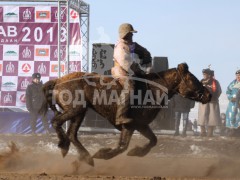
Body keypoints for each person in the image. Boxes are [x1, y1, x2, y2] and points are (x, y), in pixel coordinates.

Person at [111, 23, 152, 126]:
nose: (132, 36)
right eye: (130, 34)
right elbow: (127, 65)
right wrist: (141, 71)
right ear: (126, 35)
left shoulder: (131, 45)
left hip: (131, 69)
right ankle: (120, 116)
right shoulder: (120, 47)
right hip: (120, 71)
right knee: (130, 87)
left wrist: (146, 56)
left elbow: (145, 52)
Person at [198, 68, 222, 137]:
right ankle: (202, 132)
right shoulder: (201, 81)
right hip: (203, 102)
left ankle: (210, 132)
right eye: (203, 74)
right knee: (202, 117)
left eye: (205, 74)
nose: (204, 75)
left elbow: (219, 91)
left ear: (209, 75)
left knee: (212, 117)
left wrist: (214, 97)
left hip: (212, 102)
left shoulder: (215, 82)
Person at [225, 70, 240, 136]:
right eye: (237, 75)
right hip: (233, 104)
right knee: (232, 117)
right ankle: (232, 131)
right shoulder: (232, 84)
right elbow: (228, 92)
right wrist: (231, 98)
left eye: (239, 75)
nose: (238, 76)